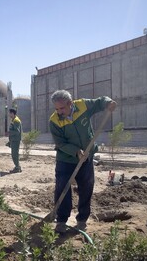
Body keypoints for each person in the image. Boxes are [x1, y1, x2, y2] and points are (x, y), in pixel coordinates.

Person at [49, 90, 116, 233]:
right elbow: (60, 143)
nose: (59, 112)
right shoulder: (54, 121)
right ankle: (61, 220)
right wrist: (75, 151)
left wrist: (108, 102)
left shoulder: (83, 106)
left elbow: (99, 101)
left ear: (70, 103)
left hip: (87, 156)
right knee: (62, 188)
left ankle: (82, 220)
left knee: (86, 187)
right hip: (65, 160)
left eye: (62, 108)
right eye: (57, 109)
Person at [8, 108, 22, 173]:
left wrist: (9, 132)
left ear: (13, 113)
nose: (9, 114)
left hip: (15, 140)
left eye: (10, 113)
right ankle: (18, 166)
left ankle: (17, 167)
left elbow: (17, 131)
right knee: (14, 154)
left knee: (14, 154)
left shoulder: (16, 121)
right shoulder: (13, 120)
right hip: (14, 140)